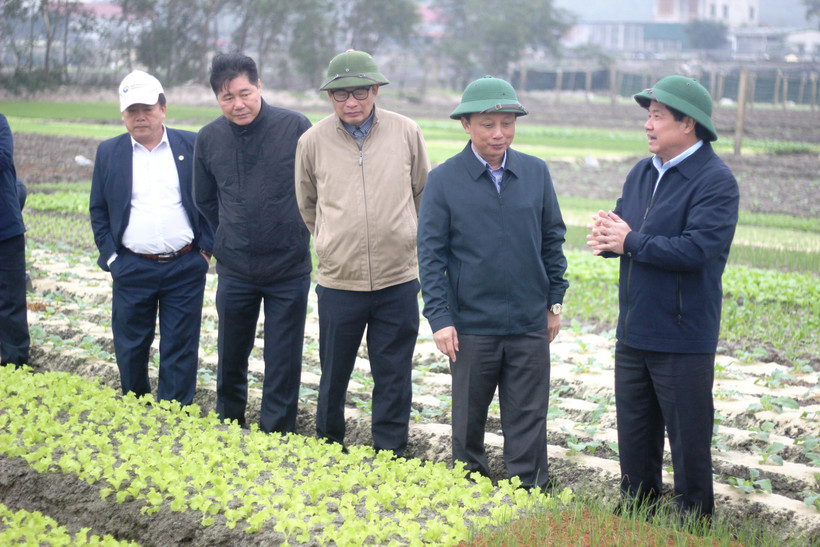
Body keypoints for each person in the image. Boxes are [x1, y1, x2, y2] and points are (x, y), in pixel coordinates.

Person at [586, 75, 739, 522]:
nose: (648, 125)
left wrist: (630, 241)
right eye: (648, 116)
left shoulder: (715, 181)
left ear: (687, 123)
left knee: (688, 440)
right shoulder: (641, 172)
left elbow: (697, 250)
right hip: (634, 331)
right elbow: (626, 228)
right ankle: (638, 513)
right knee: (635, 436)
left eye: (657, 116)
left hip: (683, 334)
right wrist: (607, 237)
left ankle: (694, 521)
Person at [417, 76, 569, 490]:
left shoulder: (535, 173)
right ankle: (470, 490)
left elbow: (552, 238)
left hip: (527, 322)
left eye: (507, 122)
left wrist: (554, 302)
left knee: (529, 415)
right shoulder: (444, 180)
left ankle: (531, 490)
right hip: (470, 325)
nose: (499, 133)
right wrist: (440, 318)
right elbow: (430, 255)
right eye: (488, 124)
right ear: (466, 125)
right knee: (468, 416)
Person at [295, 50, 430, 456]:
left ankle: (390, 450)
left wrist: (406, 238)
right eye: (340, 94)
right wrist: (333, 242)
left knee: (393, 373)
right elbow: (307, 204)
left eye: (359, 92)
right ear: (330, 98)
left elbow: (422, 192)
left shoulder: (406, 131)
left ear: (375, 90)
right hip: (339, 280)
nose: (351, 102)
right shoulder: (312, 141)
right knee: (334, 371)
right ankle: (329, 443)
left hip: (398, 278)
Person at [194, 53, 312, 434]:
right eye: (228, 97)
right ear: (217, 99)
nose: (238, 104)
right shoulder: (209, 138)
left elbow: (315, 188)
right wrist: (229, 232)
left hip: (288, 266)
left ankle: (277, 431)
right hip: (235, 268)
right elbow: (204, 199)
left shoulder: (294, 127)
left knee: (283, 356)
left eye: (245, 93)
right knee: (231, 352)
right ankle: (230, 422)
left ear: (259, 86)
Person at [89, 71, 212, 405]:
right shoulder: (110, 152)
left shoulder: (192, 144)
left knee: (180, 345)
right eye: (132, 110)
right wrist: (113, 258)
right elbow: (98, 210)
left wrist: (205, 251)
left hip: (185, 265)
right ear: (123, 115)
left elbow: (212, 200)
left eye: (147, 108)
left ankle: (175, 413)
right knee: (130, 345)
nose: (140, 116)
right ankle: (137, 408)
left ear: (163, 109)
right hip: (131, 267)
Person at [0, 114, 30, 367]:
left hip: (5, 227)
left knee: (11, 297)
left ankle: (14, 362)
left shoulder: (0, 122)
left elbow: (1, 158)